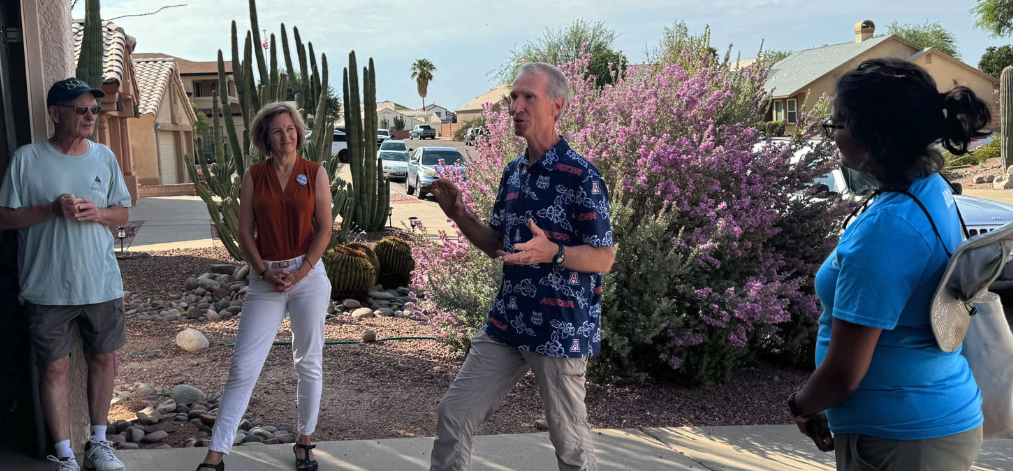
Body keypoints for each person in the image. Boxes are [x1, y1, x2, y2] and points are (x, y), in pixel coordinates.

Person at [788, 58, 991, 471]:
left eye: (837, 125)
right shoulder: (927, 189)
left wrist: (802, 404)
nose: (833, 138)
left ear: (872, 135)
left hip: (899, 439)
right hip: (923, 424)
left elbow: (844, 374)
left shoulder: (888, 229)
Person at [428, 62, 615, 471]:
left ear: (556, 106)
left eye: (529, 96)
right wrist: (459, 214)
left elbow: (604, 256)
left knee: (571, 445)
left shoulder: (581, 176)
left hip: (559, 328)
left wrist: (556, 253)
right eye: (514, 96)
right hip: (509, 320)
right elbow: (498, 244)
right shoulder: (513, 174)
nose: (516, 106)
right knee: (454, 414)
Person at [0, 78, 130, 471]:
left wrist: (100, 213)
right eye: (80, 109)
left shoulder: (104, 157)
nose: (90, 116)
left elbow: (122, 212)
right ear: (55, 114)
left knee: (104, 359)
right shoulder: (26, 159)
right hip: (46, 286)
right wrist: (50, 210)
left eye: (94, 109)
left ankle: (99, 444)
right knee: (54, 367)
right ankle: (65, 454)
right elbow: (5, 218)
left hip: (100, 282)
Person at [196, 102, 332, 471]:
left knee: (309, 361)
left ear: (298, 133)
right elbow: (244, 230)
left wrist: (302, 271)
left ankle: (305, 441)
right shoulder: (254, 175)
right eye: (277, 131)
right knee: (243, 367)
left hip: (308, 277)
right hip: (264, 278)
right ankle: (216, 453)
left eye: (290, 129)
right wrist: (262, 269)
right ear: (265, 138)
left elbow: (324, 229)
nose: (286, 136)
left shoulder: (315, 172)